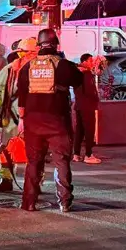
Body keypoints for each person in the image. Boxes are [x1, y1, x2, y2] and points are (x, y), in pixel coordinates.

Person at [17, 28, 83, 212]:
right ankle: (64, 202)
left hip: (33, 123)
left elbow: (21, 96)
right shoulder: (62, 65)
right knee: (61, 161)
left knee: (33, 162)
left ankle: (29, 202)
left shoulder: (27, 67)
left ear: (39, 45)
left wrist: (22, 120)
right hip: (57, 122)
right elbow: (78, 80)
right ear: (55, 45)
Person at [0, 37, 38, 193]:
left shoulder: (39, 70)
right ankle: (6, 179)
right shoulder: (10, 69)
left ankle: (34, 182)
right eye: (23, 53)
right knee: (6, 150)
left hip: (33, 118)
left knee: (35, 152)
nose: (24, 56)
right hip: (11, 118)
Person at [73, 53, 101, 164]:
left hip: (79, 105)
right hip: (87, 106)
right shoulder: (87, 74)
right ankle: (88, 154)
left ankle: (76, 154)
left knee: (79, 130)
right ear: (84, 61)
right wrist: (96, 98)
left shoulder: (76, 73)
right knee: (89, 130)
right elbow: (90, 90)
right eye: (90, 61)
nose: (92, 63)